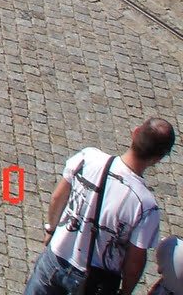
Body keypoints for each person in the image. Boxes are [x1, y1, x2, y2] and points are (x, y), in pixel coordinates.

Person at [25, 118, 173, 295]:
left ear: (135, 133)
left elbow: (58, 197)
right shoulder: (146, 206)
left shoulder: (88, 158)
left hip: (56, 259)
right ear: (158, 158)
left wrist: (51, 229)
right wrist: (125, 291)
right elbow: (135, 261)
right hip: (95, 283)